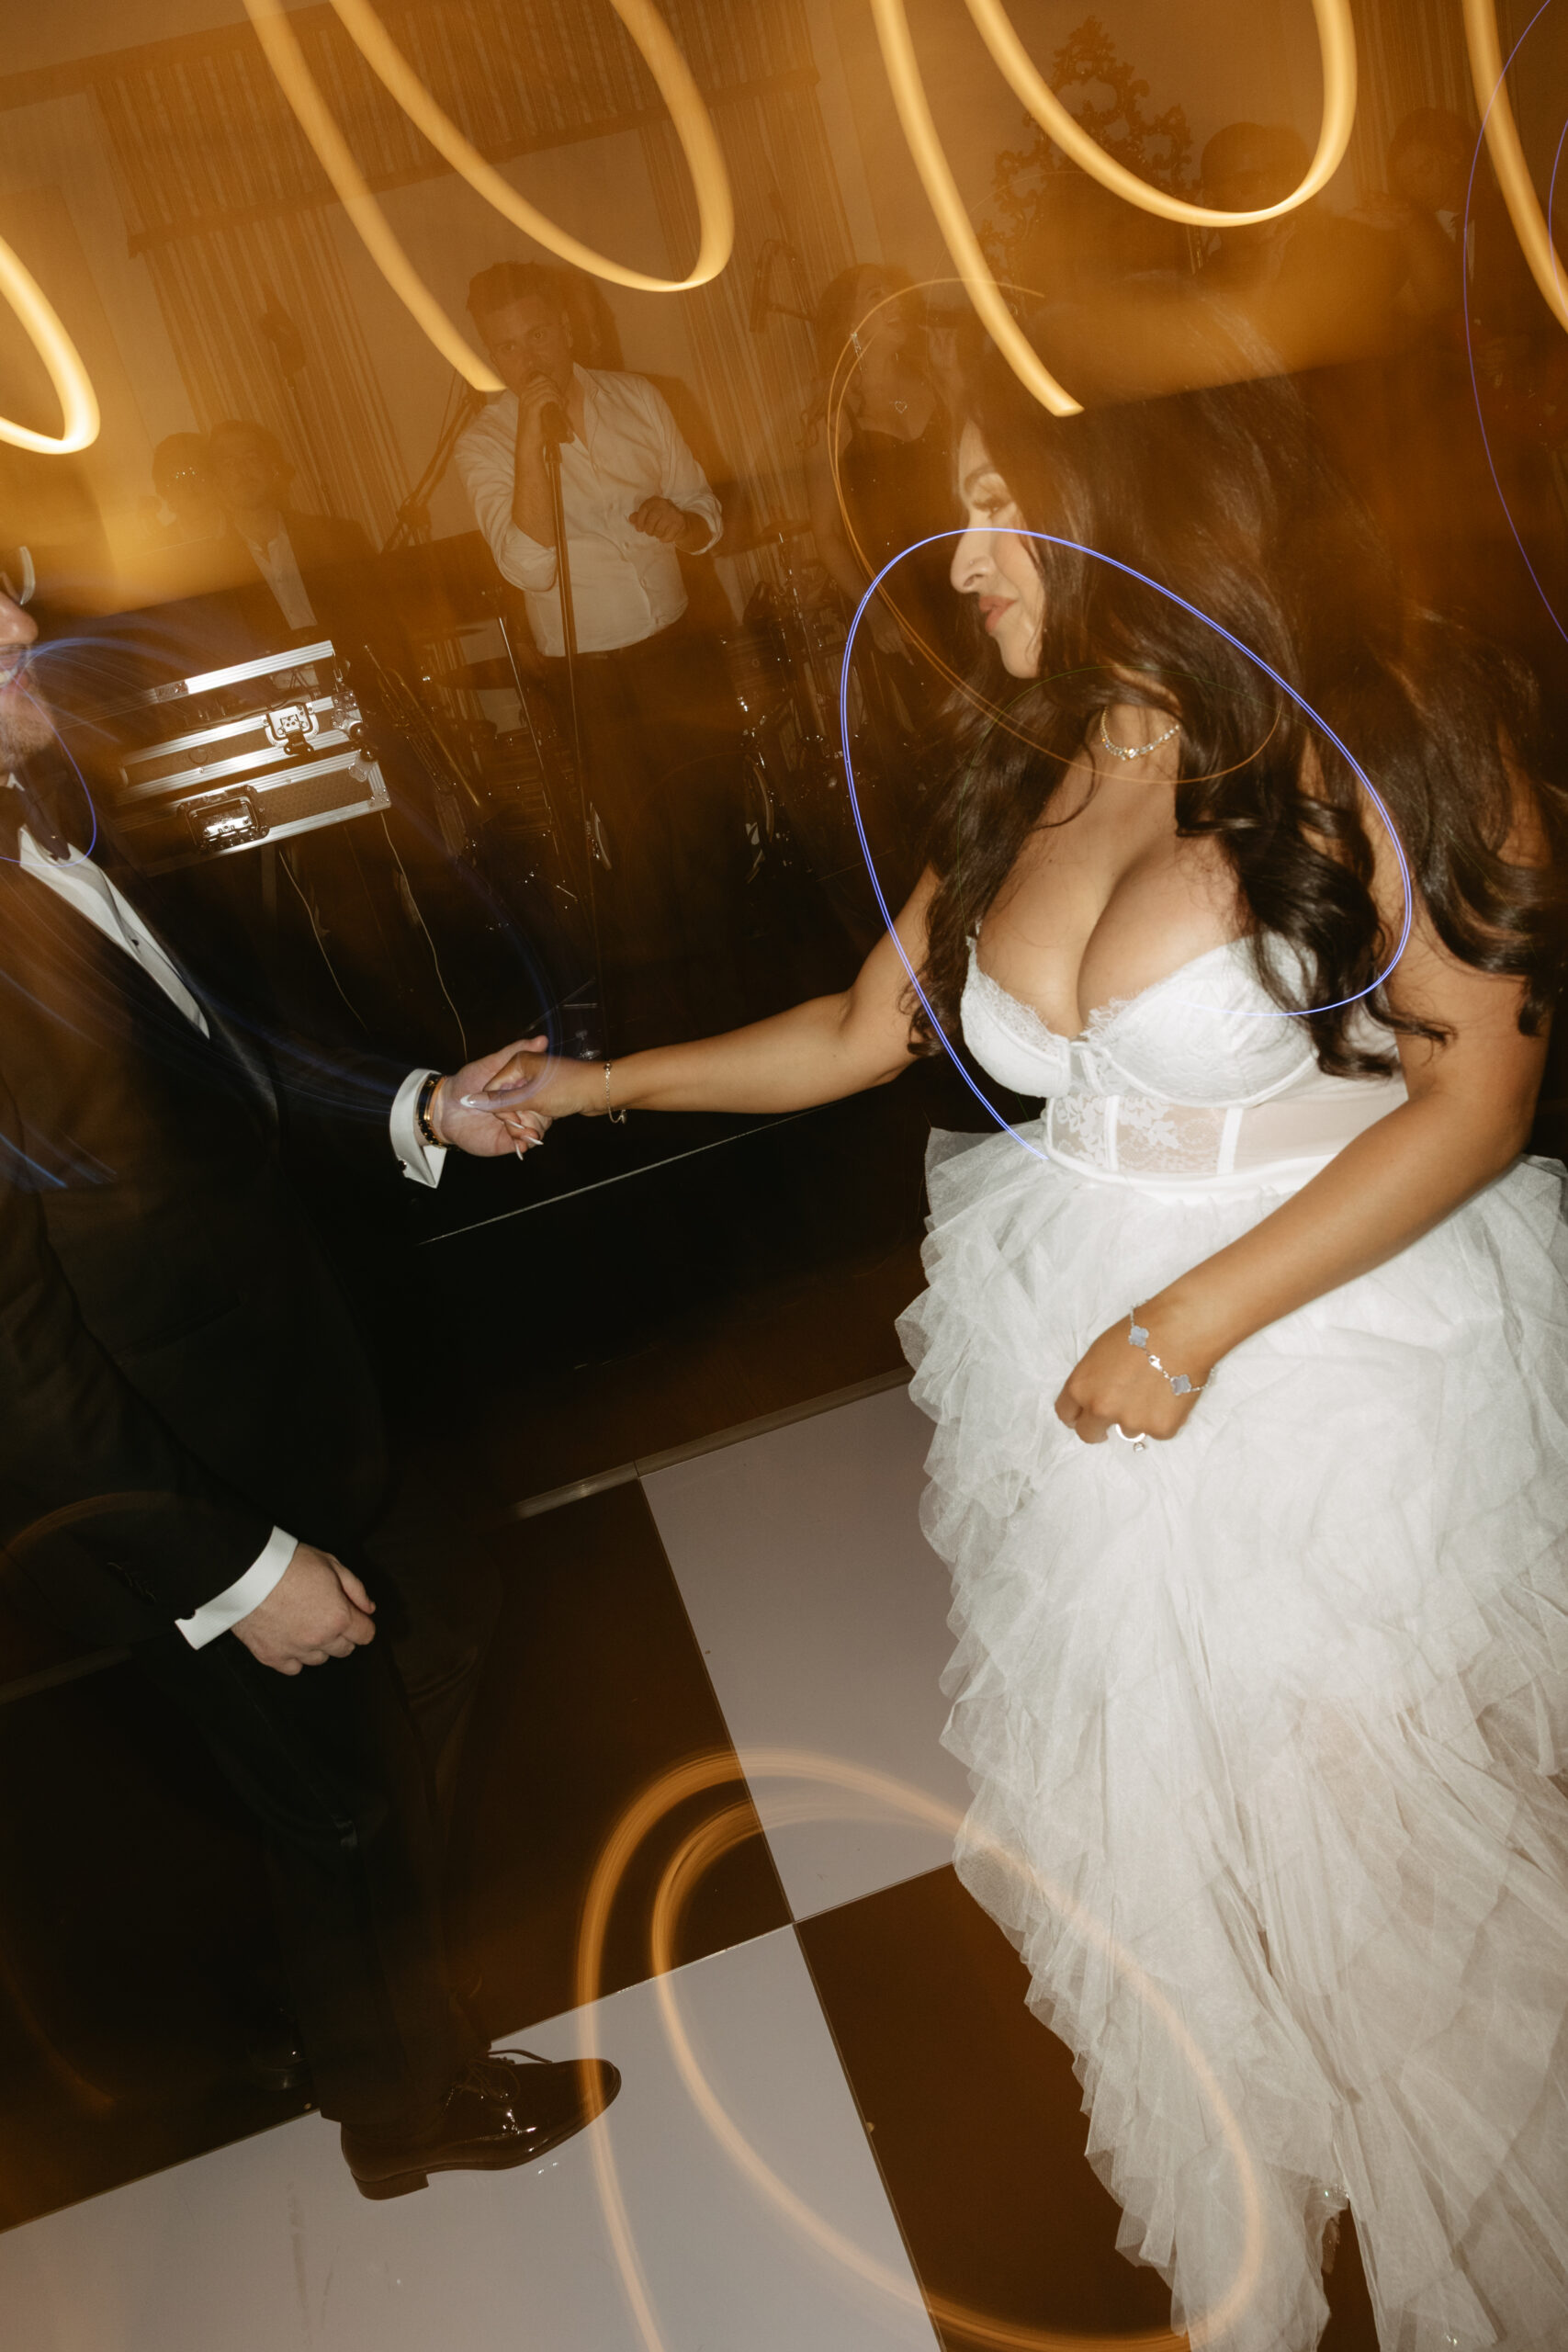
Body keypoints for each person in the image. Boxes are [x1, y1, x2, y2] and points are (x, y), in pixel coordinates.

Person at [474, 348, 1568, 2340]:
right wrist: (594, 1087)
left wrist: (1193, 1316)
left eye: (1002, 502)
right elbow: (846, 1030)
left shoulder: (1373, 737)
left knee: (1376, 1852)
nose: (962, 550)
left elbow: (1474, 1093)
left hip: (1322, 1349)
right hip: (1079, 1356)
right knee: (1166, 1837)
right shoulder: (1025, 767)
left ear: (1149, 513)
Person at [0, 580, 619, 2199]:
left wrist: (419, 1110)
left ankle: (328, 1964)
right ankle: (397, 2105)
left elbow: (212, 1073)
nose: (18, 624)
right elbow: (10, 1354)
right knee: (341, 1779)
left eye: (5, 592)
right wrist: (230, 1568)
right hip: (169, 1472)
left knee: (434, 1619)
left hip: (276, 1395)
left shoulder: (45, 815)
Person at [455, 260, 746, 1046]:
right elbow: (528, 567)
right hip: (590, 678)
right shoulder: (482, 447)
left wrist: (684, 528)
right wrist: (528, 444)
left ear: (569, 327)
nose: (529, 357)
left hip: (678, 653)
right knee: (641, 859)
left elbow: (704, 506)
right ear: (490, 356)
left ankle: (742, 1020)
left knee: (711, 834)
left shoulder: (640, 399)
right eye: (507, 347)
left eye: (539, 334)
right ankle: (671, 1041)